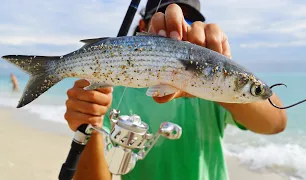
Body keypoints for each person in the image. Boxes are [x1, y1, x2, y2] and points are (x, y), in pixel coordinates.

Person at [64, 1, 288, 180]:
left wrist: (217, 76)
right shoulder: (108, 88)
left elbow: (276, 124)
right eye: (164, 18)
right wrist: (89, 124)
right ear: (143, 28)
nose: (180, 28)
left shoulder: (218, 91)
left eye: (190, 21)